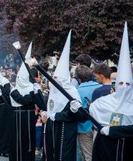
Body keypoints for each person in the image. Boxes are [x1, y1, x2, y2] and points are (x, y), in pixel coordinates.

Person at [90, 23, 133, 161]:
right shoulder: (102, 103)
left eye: (127, 84)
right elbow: (90, 112)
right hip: (106, 148)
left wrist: (113, 130)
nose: (124, 87)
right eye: (121, 83)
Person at [41, 31, 85, 161]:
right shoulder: (53, 91)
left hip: (65, 131)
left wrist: (69, 111)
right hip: (51, 128)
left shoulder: (71, 91)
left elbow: (79, 116)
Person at [75, 65, 101, 161]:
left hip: (83, 127)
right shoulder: (100, 87)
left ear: (79, 79)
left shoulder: (77, 91)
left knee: (88, 156)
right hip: (99, 126)